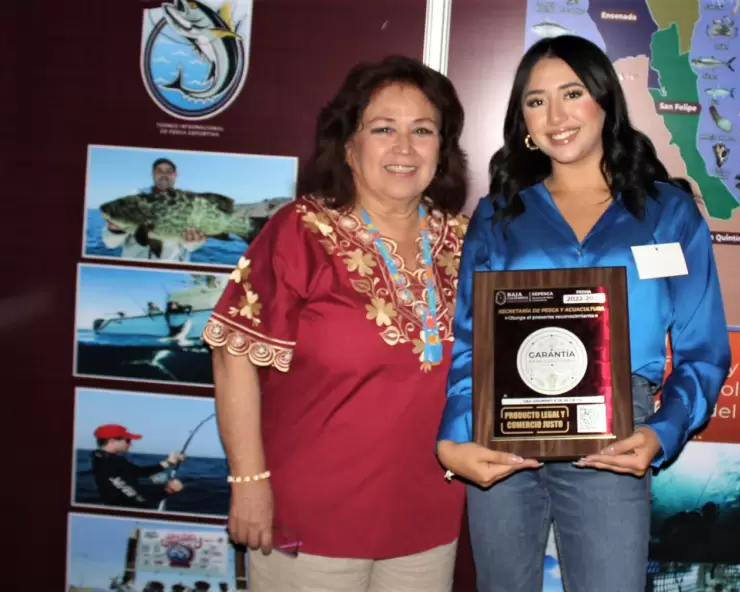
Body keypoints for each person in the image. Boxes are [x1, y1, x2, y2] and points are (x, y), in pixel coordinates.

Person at [435, 35, 732, 592]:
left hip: (615, 435)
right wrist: (454, 436)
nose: (556, 115)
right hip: (503, 430)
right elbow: (471, 341)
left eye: (572, 93)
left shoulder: (667, 212)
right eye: (536, 99)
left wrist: (662, 433)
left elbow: (703, 349)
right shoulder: (499, 213)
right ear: (521, 116)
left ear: (605, 100)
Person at [203, 55, 470, 591]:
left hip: (429, 515)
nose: (403, 147)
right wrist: (249, 483)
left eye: (422, 130)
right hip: (312, 518)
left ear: (441, 150)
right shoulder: (300, 231)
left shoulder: (467, 241)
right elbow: (234, 354)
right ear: (349, 145)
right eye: (382, 129)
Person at [100, 158, 207, 261]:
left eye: (169, 171)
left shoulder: (189, 202)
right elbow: (110, 244)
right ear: (153, 175)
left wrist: (194, 240)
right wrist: (114, 230)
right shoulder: (133, 199)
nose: (164, 174)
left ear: (175, 175)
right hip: (134, 270)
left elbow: (191, 248)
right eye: (159, 171)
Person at [90, 424, 185, 509]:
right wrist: (168, 490)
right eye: (127, 440)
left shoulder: (102, 458)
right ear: (111, 441)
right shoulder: (110, 463)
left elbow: (139, 472)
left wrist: (168, 462)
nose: (130, 444)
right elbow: (135, 499)